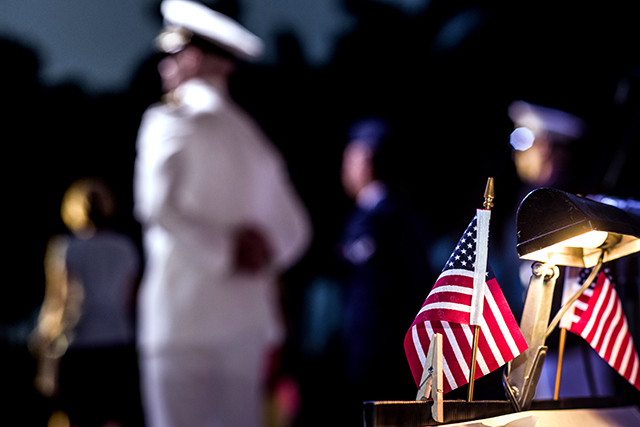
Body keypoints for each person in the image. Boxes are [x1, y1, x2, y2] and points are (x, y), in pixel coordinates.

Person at [133, 2, 312, 426]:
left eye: (170, 56)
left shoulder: (168, 119)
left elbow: (156, 205)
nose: (164, 67)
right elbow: (297, 231)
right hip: (245, 324)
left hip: (182, 323)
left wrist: (226, 251)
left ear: (192, 58)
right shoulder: (253, 139)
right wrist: (262, 256)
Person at [337, 117, 434, 422]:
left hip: (379, 359)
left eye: (349, 158)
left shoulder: (379, 220)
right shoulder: (405, 215)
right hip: (400, 358)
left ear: (365, 160)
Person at [30, 177, 143, 427]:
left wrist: (42, 340)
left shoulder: (67, 247)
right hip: (118, 344)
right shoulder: (125, 247)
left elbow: (58, 302)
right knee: (113, 418)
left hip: (79, 345)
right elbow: (130, 301)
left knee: (77, 418)